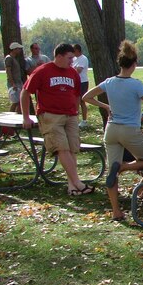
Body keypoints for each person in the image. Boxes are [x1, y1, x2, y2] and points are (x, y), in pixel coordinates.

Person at [83, 42, 143, 220]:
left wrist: (105, 105)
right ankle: (123, 167)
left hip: (111, 130)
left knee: (111, 173)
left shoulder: (109, 82)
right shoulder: (136, 85)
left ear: (120, 64)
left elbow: (86, 97)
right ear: (134, 64)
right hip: (130, 130)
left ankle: (116, 212)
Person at [21, 43, 95, 196]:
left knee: (72, 149)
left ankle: (72, 186)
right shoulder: (42, 71)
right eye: (69, 58)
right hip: (50, 115)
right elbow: (25, 92)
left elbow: (76, 95)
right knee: (62, 148)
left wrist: (75, 112)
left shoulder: (72, 73)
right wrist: (26, 117)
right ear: (59, 56)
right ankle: (78, 183)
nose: (71, 61)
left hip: (70, 115)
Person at [5, 41, 27, 113]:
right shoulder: (9, 58)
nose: (20, 50)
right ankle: (11, 115)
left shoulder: (14, 58)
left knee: (19, 102)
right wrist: (13, 83)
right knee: (15, 102)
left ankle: (18, 115)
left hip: (18, 82)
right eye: (18, 49)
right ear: (14, 49)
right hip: (14, 83)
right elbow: (8, 71)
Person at [73, 44, 90, 128]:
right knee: (75, 100)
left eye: (74, 51)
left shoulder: (83, 58)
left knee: (82, 101)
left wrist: (71, 69)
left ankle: (84, 120)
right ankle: (76, 119)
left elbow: (78, 70)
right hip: (75, 82)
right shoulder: (74, 59)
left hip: (82, 82)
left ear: (77, 50)